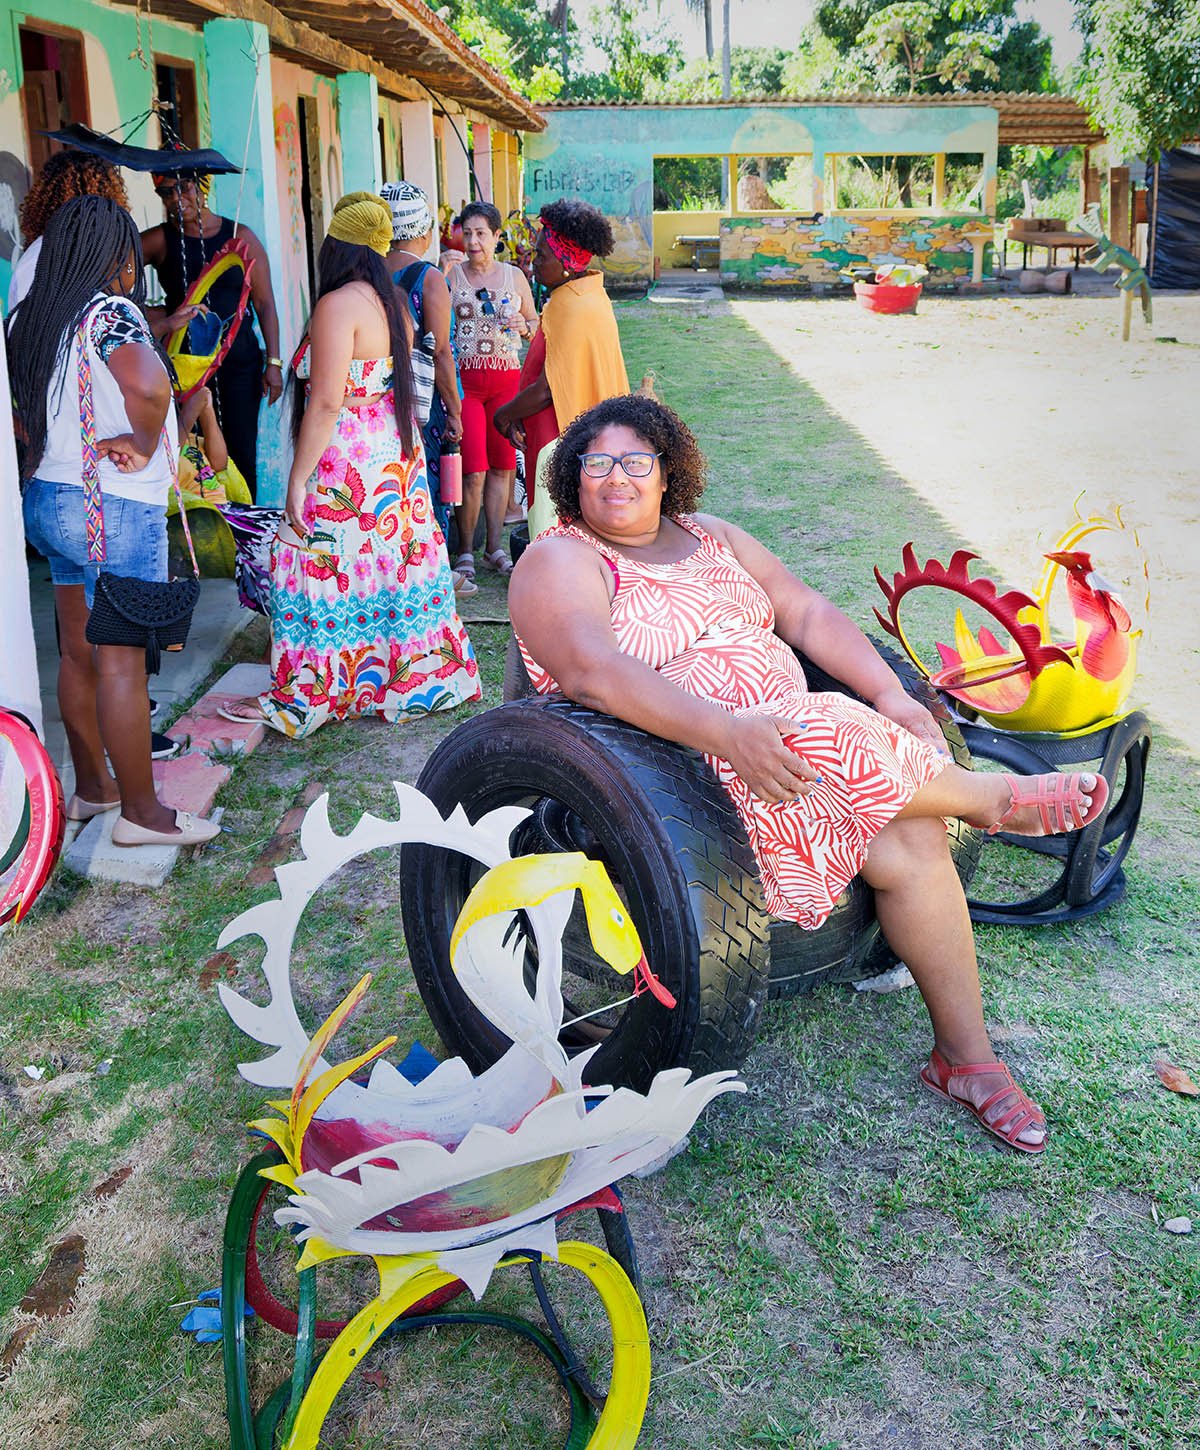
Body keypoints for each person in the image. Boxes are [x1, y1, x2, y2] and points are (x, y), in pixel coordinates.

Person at [510, 396, 1115, 1156]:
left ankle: (966, 1060)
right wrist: (729, 731)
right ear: (573, 476)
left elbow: (802, 612)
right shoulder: (561, 559)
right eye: (597, 462)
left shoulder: (712, 536)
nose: (616, 477)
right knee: (815, 721)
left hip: (792, 763)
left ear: (667, 473)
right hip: (671, 781)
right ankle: (992, 800)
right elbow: (590, 671)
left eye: (637, 461)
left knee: (912, 840)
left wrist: (892, 694)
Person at [217, 192, 480, 738]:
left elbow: (326, 402)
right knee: (385, 563)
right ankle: (396, 678)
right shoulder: (391, 302)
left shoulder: (338, 305)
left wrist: (297, 478)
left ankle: (317, 688)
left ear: (336, 246)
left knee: (317, 561)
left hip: (349, 462)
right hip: (392, 454)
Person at [8, 195, 218, 847]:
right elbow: (150, 386)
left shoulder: (29, 317)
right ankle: (142, 815)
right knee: (123, 664)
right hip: (113, 508)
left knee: (78, 653)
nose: (134, 270)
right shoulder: (110, 313)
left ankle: (95, 789)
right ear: (116, 255)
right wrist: (145, 437)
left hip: (50, 500)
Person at [141, 166, 282, 495]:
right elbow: (113, 274)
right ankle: (205, 518)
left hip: (239, 364)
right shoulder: (160, 239)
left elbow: (265, 303)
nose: (177, 198)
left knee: (241, 453)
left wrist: (273, 363)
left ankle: (243, 519)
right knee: (193, 454)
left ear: (202, 187)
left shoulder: (240, 236)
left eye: (185, 188)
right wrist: (159, 315)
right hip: (184, 367)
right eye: (166, 192)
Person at [493, 199, 629, 534]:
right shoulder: (590, 293)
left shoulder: (569, 307)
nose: (533, 263)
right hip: (586, 436)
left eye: (541, 256)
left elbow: (547, 389)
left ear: (566, 262)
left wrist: (504, 414)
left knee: (555, 531)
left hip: (560, 439)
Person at [379, 179, 474, 597]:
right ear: (426, 229)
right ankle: (431, 575)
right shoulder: (429, 278)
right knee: (427, 486)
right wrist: (455, 409)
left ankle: (395, 573)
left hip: (375, 401)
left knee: (388, 489)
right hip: (423, 403)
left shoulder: (367, 270)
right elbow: (441, 353)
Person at [444, 200, 537, 580]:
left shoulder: (514, 276)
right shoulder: (451, 276)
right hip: (466, 385)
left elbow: (534, 323)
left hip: (506, 383)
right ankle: (466, 550)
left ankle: (494, 548)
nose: (473, 242)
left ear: (497, 236)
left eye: (481, 233)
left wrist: (524, 325)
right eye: (467, 233)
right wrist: (440, 272)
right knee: (472, 470)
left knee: (502, 466)